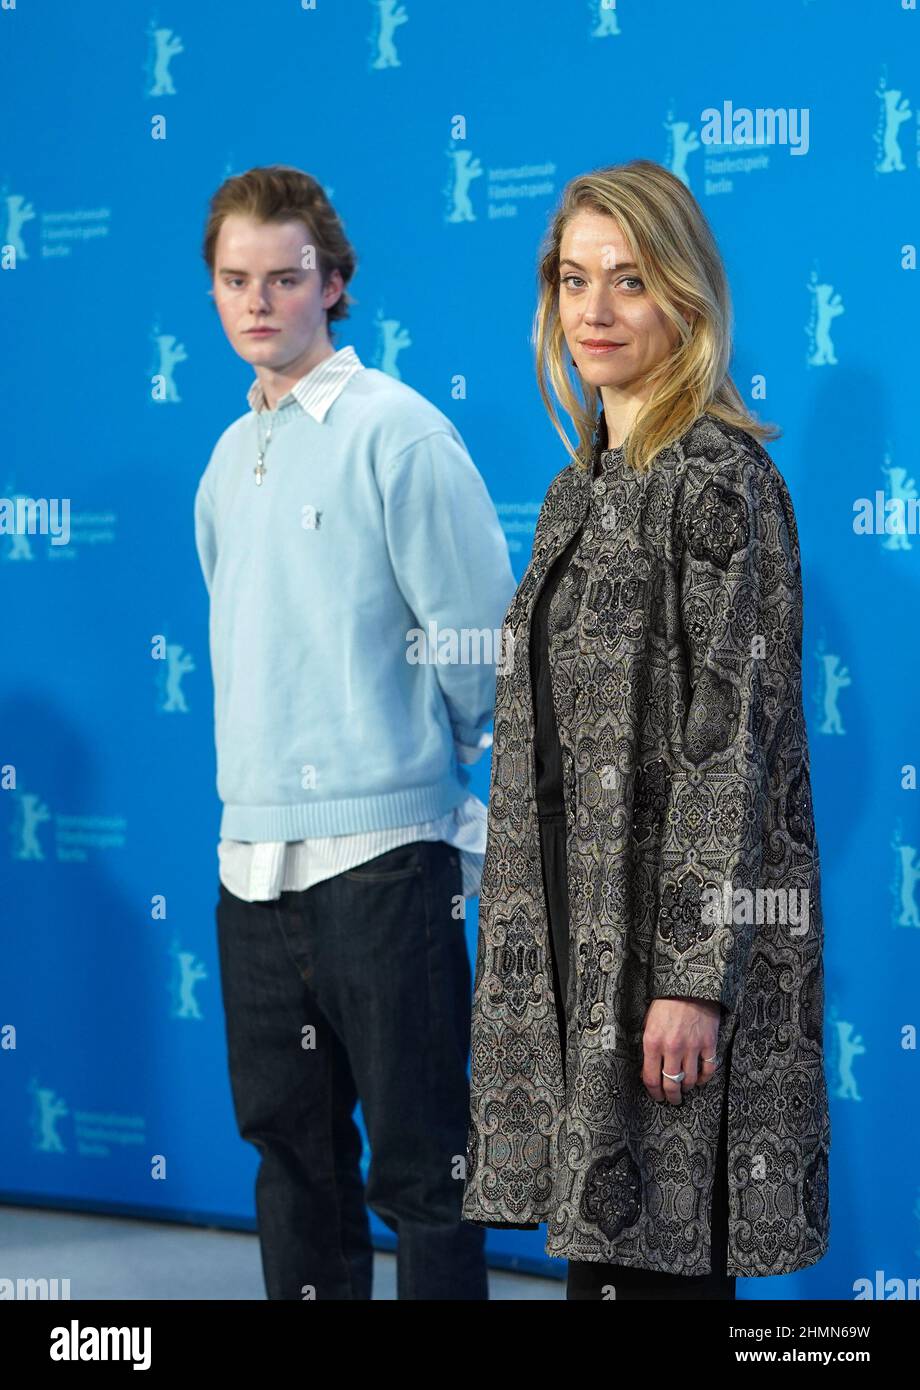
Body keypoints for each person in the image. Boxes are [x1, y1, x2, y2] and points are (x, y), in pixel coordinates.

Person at [461, 159, 831, 1300]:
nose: (595, 309)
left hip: (664, 973)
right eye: (574, 279)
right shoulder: (575, 491)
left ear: (684, 295)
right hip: (577, 957)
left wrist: (693, 979)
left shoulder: (718, 480)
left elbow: (732, 752)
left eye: (628, 279)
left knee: (657, 1274)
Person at [193, 164, 516, 1300]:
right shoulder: (226, 461)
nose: (258, 301)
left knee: (425, 1170)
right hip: (251, 870)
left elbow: (477, 637)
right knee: (292, 1164)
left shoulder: (400, 431)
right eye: (235, 279)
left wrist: (422, 774)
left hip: (384, 866)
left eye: (284, 277)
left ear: (333, 283)